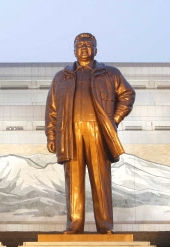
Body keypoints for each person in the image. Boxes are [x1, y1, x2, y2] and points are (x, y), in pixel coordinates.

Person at [45, 32, 135, 234]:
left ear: (95, 50)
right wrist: (51, 136)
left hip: (98, 131)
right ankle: (74, 224)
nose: (84, 48)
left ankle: (105, 225)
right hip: (70, 133)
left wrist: (115, 119)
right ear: (74, 50)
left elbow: (127, 95)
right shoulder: (62, 77)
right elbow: (51, 109)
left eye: (88, 45)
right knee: (73, 181)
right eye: (79, 45)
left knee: (100, 179)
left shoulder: (109, 73)